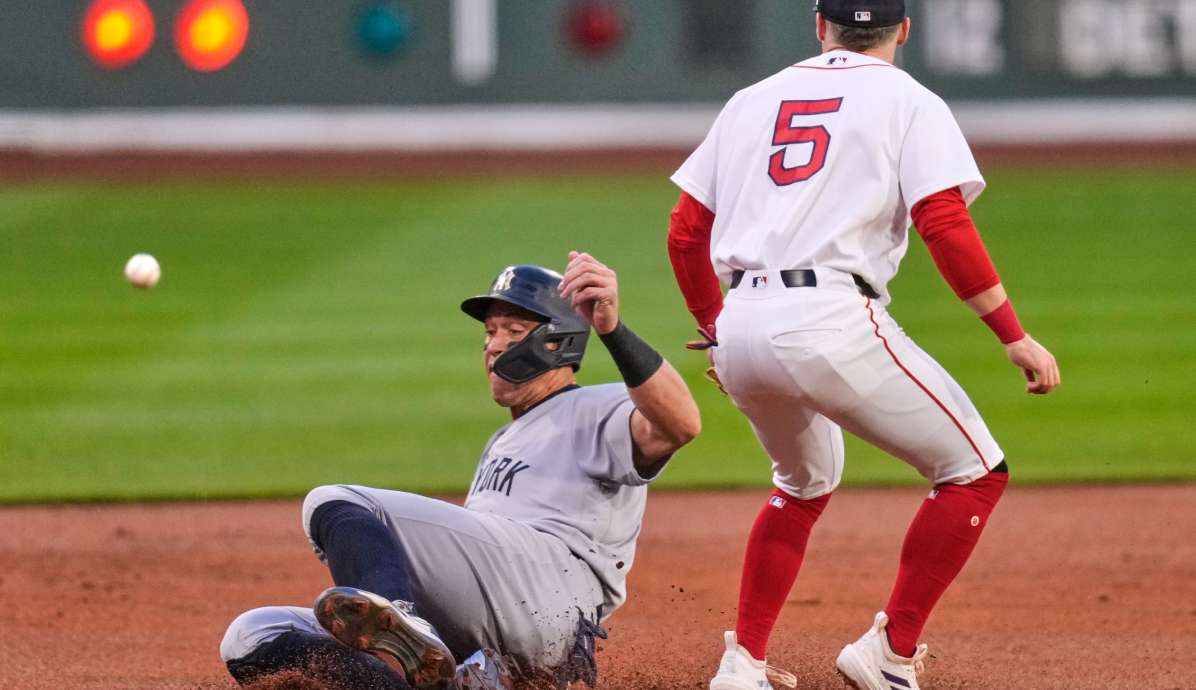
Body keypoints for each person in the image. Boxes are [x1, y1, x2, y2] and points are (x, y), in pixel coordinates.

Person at [665, 2, 1061, 689]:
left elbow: (684, 232)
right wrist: (1013, 334)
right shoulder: (910, 100)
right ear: (904, 29)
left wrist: (714, 326)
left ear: (820, 25)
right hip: (830, 318)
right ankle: (890, 655)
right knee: (974, 471)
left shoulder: (750, 101)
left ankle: (743, 664)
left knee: (801, 483)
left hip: (742, 321)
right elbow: (942, 219)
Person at [218, 253, 701, 690]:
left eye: (513, 331)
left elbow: (681, 424)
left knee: (335, 502)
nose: (494, 346)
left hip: (551, 593)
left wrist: (612, 329)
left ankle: (402, 625)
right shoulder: (504, 439)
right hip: (501, 612)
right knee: (253, 636)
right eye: (490, 333)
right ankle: (440, 678)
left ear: (558, 343)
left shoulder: (599, 406)